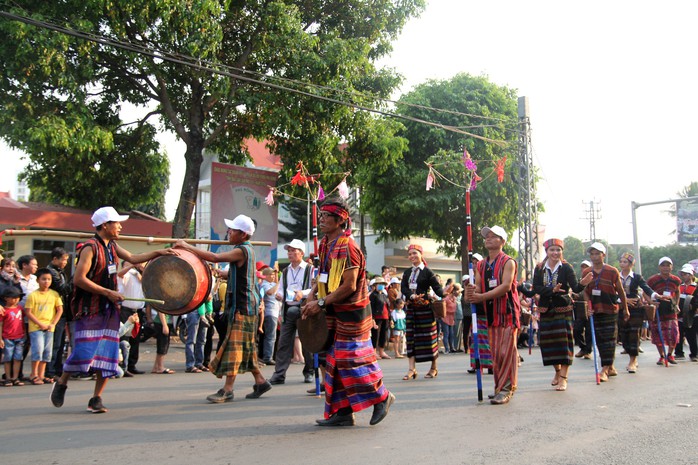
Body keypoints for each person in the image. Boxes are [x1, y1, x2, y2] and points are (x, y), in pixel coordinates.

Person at [50, 206, 176, 414]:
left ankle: (96, 398)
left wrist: (159, 252)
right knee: (84, 351)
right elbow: (79, 279)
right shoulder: (90, 248)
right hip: (89, 308)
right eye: (116, 223)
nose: (120, 226)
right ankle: (62, 382)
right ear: (105, 225)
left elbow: (134, 258)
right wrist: (108, 292)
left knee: (108, 355)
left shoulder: (112, 246)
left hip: (109, 309)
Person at [302, 198, 394, 427]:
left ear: (340, 219)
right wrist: (312, 296)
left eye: (326, 216)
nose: (321, 219)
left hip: (353, 313)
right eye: (320, 215)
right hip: (333, 311)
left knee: (351, 359)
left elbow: (349, 285)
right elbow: (321, 276)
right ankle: (343, 411)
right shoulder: (325, 245)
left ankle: (382, 396)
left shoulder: (348, 247)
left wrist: (320, 303)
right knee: (333, 361)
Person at [175, 214, 271, 403]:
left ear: (243, 235)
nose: (229, 232)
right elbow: (240, 274)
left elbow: (215, 256)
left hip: (243, 307)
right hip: (246, 306)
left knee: (234, 348)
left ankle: (227, 390)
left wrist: (186, 246)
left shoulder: (241, 250)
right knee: (246, 348)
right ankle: (260, 381)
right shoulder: (245, 250)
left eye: (233, 230)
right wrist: (222, 273)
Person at [466, 226, 521, 405]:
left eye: (493, 236)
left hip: (507, 312)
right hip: (490, 313)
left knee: (506, 351)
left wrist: (480, 296)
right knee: (496, 352)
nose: (489, 239)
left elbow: (505, 286)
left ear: (502, 241)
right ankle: (499, 387)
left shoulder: (508, 262)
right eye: (487, 236)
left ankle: (506, 388)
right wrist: (471, 292)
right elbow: (480, 288)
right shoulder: (481, 265)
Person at [531, 239, 584, 392]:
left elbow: (575, 287)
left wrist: (584, 283)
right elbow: (537, 288)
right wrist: (551, 291)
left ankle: (563, 378)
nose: (555, 253)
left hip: (563, 308)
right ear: (546, 252)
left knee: (564, 343)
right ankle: (557, 371)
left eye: (558, 250)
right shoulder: (540, 268)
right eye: (552, 250)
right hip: (546, 309)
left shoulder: (566, 268)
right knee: (549, 344)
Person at [580, 242, 628, 382]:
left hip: (610, 309)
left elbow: (620, 291)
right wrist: (588, 306)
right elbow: (586, 291)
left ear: (603, 255)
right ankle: (610, 366)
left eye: (597, 254)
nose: (594, 257)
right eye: (592, 254)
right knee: (600, 340)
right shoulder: (586, 272)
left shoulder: (612, 271)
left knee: (610, 339)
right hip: (595, 310)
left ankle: (605, 369)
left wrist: (626, 308)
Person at [270, 239, 315, 385]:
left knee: (307, 342)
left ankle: (309, 372)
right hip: (289, 309)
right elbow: (282, 289)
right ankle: (279, 374)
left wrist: (302, 293)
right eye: (288, 250)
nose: (290, 253)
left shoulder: (310, 269)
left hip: (304, 309)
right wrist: (280, 295)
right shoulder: (286, 271)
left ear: (301, 253)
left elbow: (315, 290)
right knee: (284, 342)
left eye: (293, 250)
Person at [401, 243, 443, 380]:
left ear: (421, 254)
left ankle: (434, 367)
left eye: (415, 253)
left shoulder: (428, 272)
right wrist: (412, 296)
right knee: (411, 338)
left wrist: (446, 293)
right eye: (410, 254)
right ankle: (411, 369)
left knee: (430, 338)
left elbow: (437, 289)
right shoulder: (407, 273)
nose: (412, 256)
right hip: (411, 309)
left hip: (425, 309)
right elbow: (404, 289)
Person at [24, 268, 64, 385]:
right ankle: (34, 374)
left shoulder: (54, 294)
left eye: (48, 279)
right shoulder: (33, 295)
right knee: (38, 350)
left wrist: (53, 324)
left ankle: (42, 375)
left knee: (47, 352)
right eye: (43, 279)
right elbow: (28, 312)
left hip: (49, 328)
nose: (46, 282)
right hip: (36, 328)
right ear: (38, 280)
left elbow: (59, 310)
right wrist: (40, 324)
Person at [617, 253, 654, 373]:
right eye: (621, 261)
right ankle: (629, 352)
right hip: (621, 307)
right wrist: (623, 300)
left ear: (631, 264)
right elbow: (611, 292)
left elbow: (646, 288)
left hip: (635, 308)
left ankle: (633, 360)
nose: (622, 264)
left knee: (634, 333)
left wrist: (655, 295)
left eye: (625, 262)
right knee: (623, 333)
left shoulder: (637, 277)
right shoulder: (615, 276)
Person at [646, 257, 681, 365]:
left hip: (670, 309)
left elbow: (677, 292)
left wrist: (677, 304)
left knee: (673, 333)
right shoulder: (652, 280)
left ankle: (670, 354)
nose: (666, 267)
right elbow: (645, 292)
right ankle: (661, 355)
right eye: (663, 265)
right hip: (657, 309)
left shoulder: (676, 280)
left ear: (672, 267)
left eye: (668, 265)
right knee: (657, 333)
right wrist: (651, 302)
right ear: (659, 267)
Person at [117, 261, 147, 375]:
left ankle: (132, 365)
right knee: (125, 338)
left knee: (135, 338)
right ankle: (123, 366)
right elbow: (120, 274)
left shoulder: (141, 275)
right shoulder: (128, 274)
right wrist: (131, 266)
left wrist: (141, 271)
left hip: (138, 311)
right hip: (126, 310)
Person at [46, 247, 72, 379]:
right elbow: (63, 289)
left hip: (61, 311)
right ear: (55, 259)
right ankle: (50, 371)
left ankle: (56, 368)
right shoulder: (50, 272)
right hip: (54, 312)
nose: (65, 262)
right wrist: (76, 278)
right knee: (55, 344)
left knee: (60, 343)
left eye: (67, 260)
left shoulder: (60, 272)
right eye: (64, 259)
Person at [0, 286, 26, 386]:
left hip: (19, 336)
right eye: (13, 297)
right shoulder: (4, 310)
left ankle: (15, 377)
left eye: (17, 297)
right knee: (8, 358)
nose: (15, 300)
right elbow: (1, 324)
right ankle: (8, 377)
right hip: (7, 337)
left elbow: (22, 321)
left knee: (18, 358)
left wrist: (24, 332)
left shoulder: (20, 308)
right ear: (6, 298)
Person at [258, 267, 280, 365]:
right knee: (270, 336)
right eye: (271, 274)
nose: (273, 276)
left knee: (273, 336)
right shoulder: (264, 285)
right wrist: (279, 283)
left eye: (274, 274)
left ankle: (270, 355)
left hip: (277, 312)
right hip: (270, 313)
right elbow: (270, 292)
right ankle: (268, 357)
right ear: (265, 276)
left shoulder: (273, 284)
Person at [573, 260, 593, 359]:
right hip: (580, 307)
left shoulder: (593, 280)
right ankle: (582, 348)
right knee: (577, 329)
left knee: (589, 330)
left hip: (590, 307)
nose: (584, 268)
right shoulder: (578, 280)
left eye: (586, 266)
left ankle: (588, 350)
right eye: (583, 266)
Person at [676, 264, 697, 360]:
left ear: (691, 275)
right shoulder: (679, 287)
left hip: (692, 315)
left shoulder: (696, 287)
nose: (684, 276)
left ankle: (694, 354)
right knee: (678, 334)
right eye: (683, 274)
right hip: (680, 315)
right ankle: (679, 353)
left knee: (691, 335)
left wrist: (693, 307)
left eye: (686, 274)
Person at [369, 276, 392, 359]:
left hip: (385, 317)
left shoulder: (384, 295)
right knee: (375, 335)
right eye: (379, 284)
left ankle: (381, 351)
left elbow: (388, 307)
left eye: (382, 284)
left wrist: (390, 319)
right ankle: (374, 352)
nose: (381, 285)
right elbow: (370, 308)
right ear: (375, 285)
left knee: (384, 335)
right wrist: (372, 319)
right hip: (377, 317)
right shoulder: (373, 295)